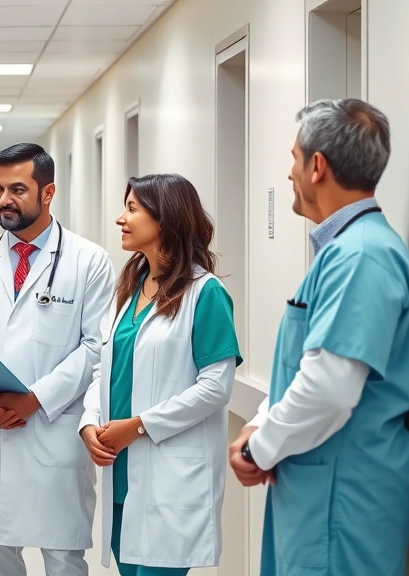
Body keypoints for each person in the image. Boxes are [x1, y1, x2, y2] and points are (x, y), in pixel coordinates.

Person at [229, 98, 409, 576]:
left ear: (318, 166)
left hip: (343, 499)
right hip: (323, 493)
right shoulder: (347, 250)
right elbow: (302, 365)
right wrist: (259, 423)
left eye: (294, 159)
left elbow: (330, 386)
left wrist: (260, 446)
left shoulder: (361, 256)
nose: (290, 172)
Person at [0, 143, 116, 576]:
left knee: (64, 557)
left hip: (54, 429)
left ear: (47, 193)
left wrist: (36, 398)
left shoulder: (89, 262)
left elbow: (96, 346)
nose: (4, 200)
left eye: (17, 189)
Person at [80, 174, 241, 575]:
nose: (121, 218)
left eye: (132, 209)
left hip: (168, 475)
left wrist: (138, 427)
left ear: (165, 220)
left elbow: (215, 387)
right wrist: (89, 423)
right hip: (122, 471)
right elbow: (104, 366)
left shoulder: (205, 294)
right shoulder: (130, 287)